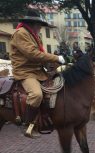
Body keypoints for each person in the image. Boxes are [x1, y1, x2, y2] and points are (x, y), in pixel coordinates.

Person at [10, 9, 65, 138]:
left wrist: (52, 66)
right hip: (25, 71)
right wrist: (55, 58)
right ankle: (28, 125)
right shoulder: (21, 33)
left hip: (37, 71)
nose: (40, 28)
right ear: (32, 23)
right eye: (39, 25)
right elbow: (33, 54)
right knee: (36, 94)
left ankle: (46, 119)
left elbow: (40, 55)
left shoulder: (34, 35)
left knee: (57, 87)